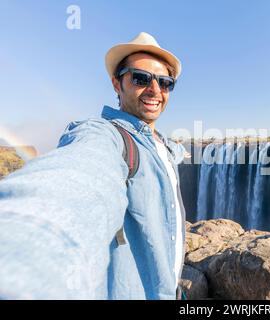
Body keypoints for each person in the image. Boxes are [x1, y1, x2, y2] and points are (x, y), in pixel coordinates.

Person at [0, 32, 188, 300]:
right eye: (140, 78)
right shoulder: (104, 136)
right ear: (116, 83)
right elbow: (79, 178)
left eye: (165, 82)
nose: (155, 90)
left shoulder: (166, 150)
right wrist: (23, 247)